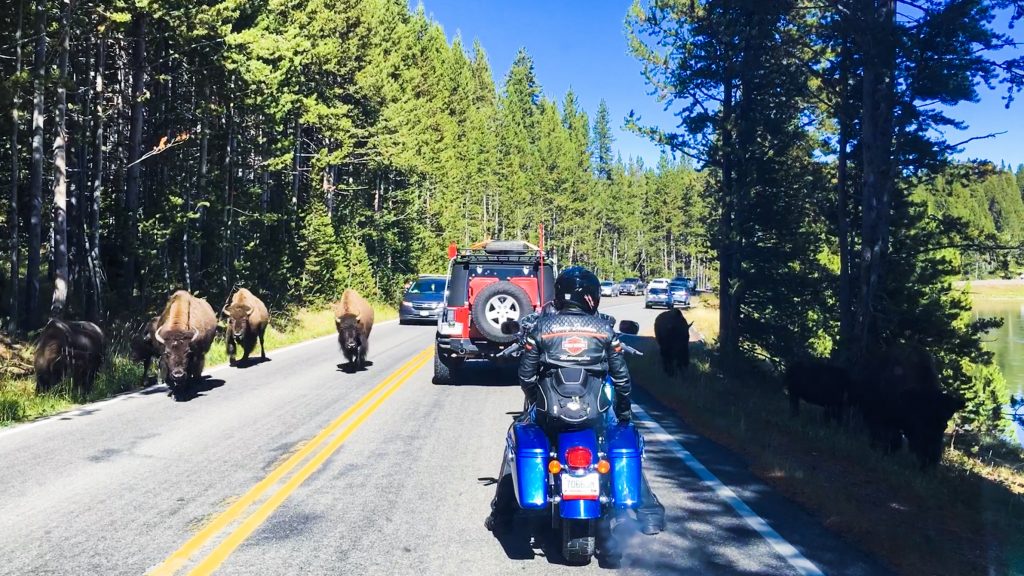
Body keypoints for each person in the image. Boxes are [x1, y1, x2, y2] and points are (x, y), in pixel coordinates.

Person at [485, 266, 665, 537]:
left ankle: (502, 516)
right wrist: (624, 411)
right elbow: (622, 380)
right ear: (591, 296)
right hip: (594, 414)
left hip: (551, 414)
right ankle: (649, 513)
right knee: (620, 439)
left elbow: (526, 376)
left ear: (559, 294)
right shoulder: (603, 328)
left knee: (516, 443)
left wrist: (535, 401)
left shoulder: (542, 326)